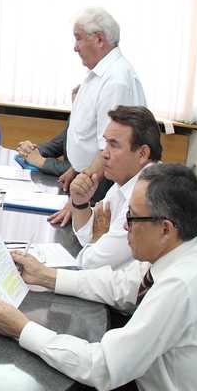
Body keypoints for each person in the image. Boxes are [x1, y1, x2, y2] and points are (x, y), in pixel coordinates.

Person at [0, 163, 197, 391]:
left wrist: (22, 329)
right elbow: (121, 285)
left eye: (133, 217)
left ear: (165, 230)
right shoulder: (184, 248)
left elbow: (102, 367)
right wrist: (46, 276)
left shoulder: (179, 287)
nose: (125, 226)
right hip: (150, 385)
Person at [49, 7, 146, 227]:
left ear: (100, 39)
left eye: (78, 38)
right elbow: (89, 133)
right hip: (89, 177)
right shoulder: (99, 74)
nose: (75, 47)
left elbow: (110, 149)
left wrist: (77, 200)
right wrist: (75, 167)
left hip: (101, 183)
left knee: (86, 239)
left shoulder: (115, 81)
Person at [70, 105, 161, 271]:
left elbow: (91, 264)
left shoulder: (148, 195)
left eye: (114, 145)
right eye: (106, 143)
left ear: (142, 154)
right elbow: (85, 237)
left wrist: (99, 236)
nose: (104, 154)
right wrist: (80, 203)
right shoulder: (125, 180)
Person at [16, 85, 79, 177]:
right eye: (74, 106)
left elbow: (81, 168)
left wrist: (40, 161)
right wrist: (31, 150)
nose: (75, 111)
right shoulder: (75, 116)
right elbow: (57, 145)